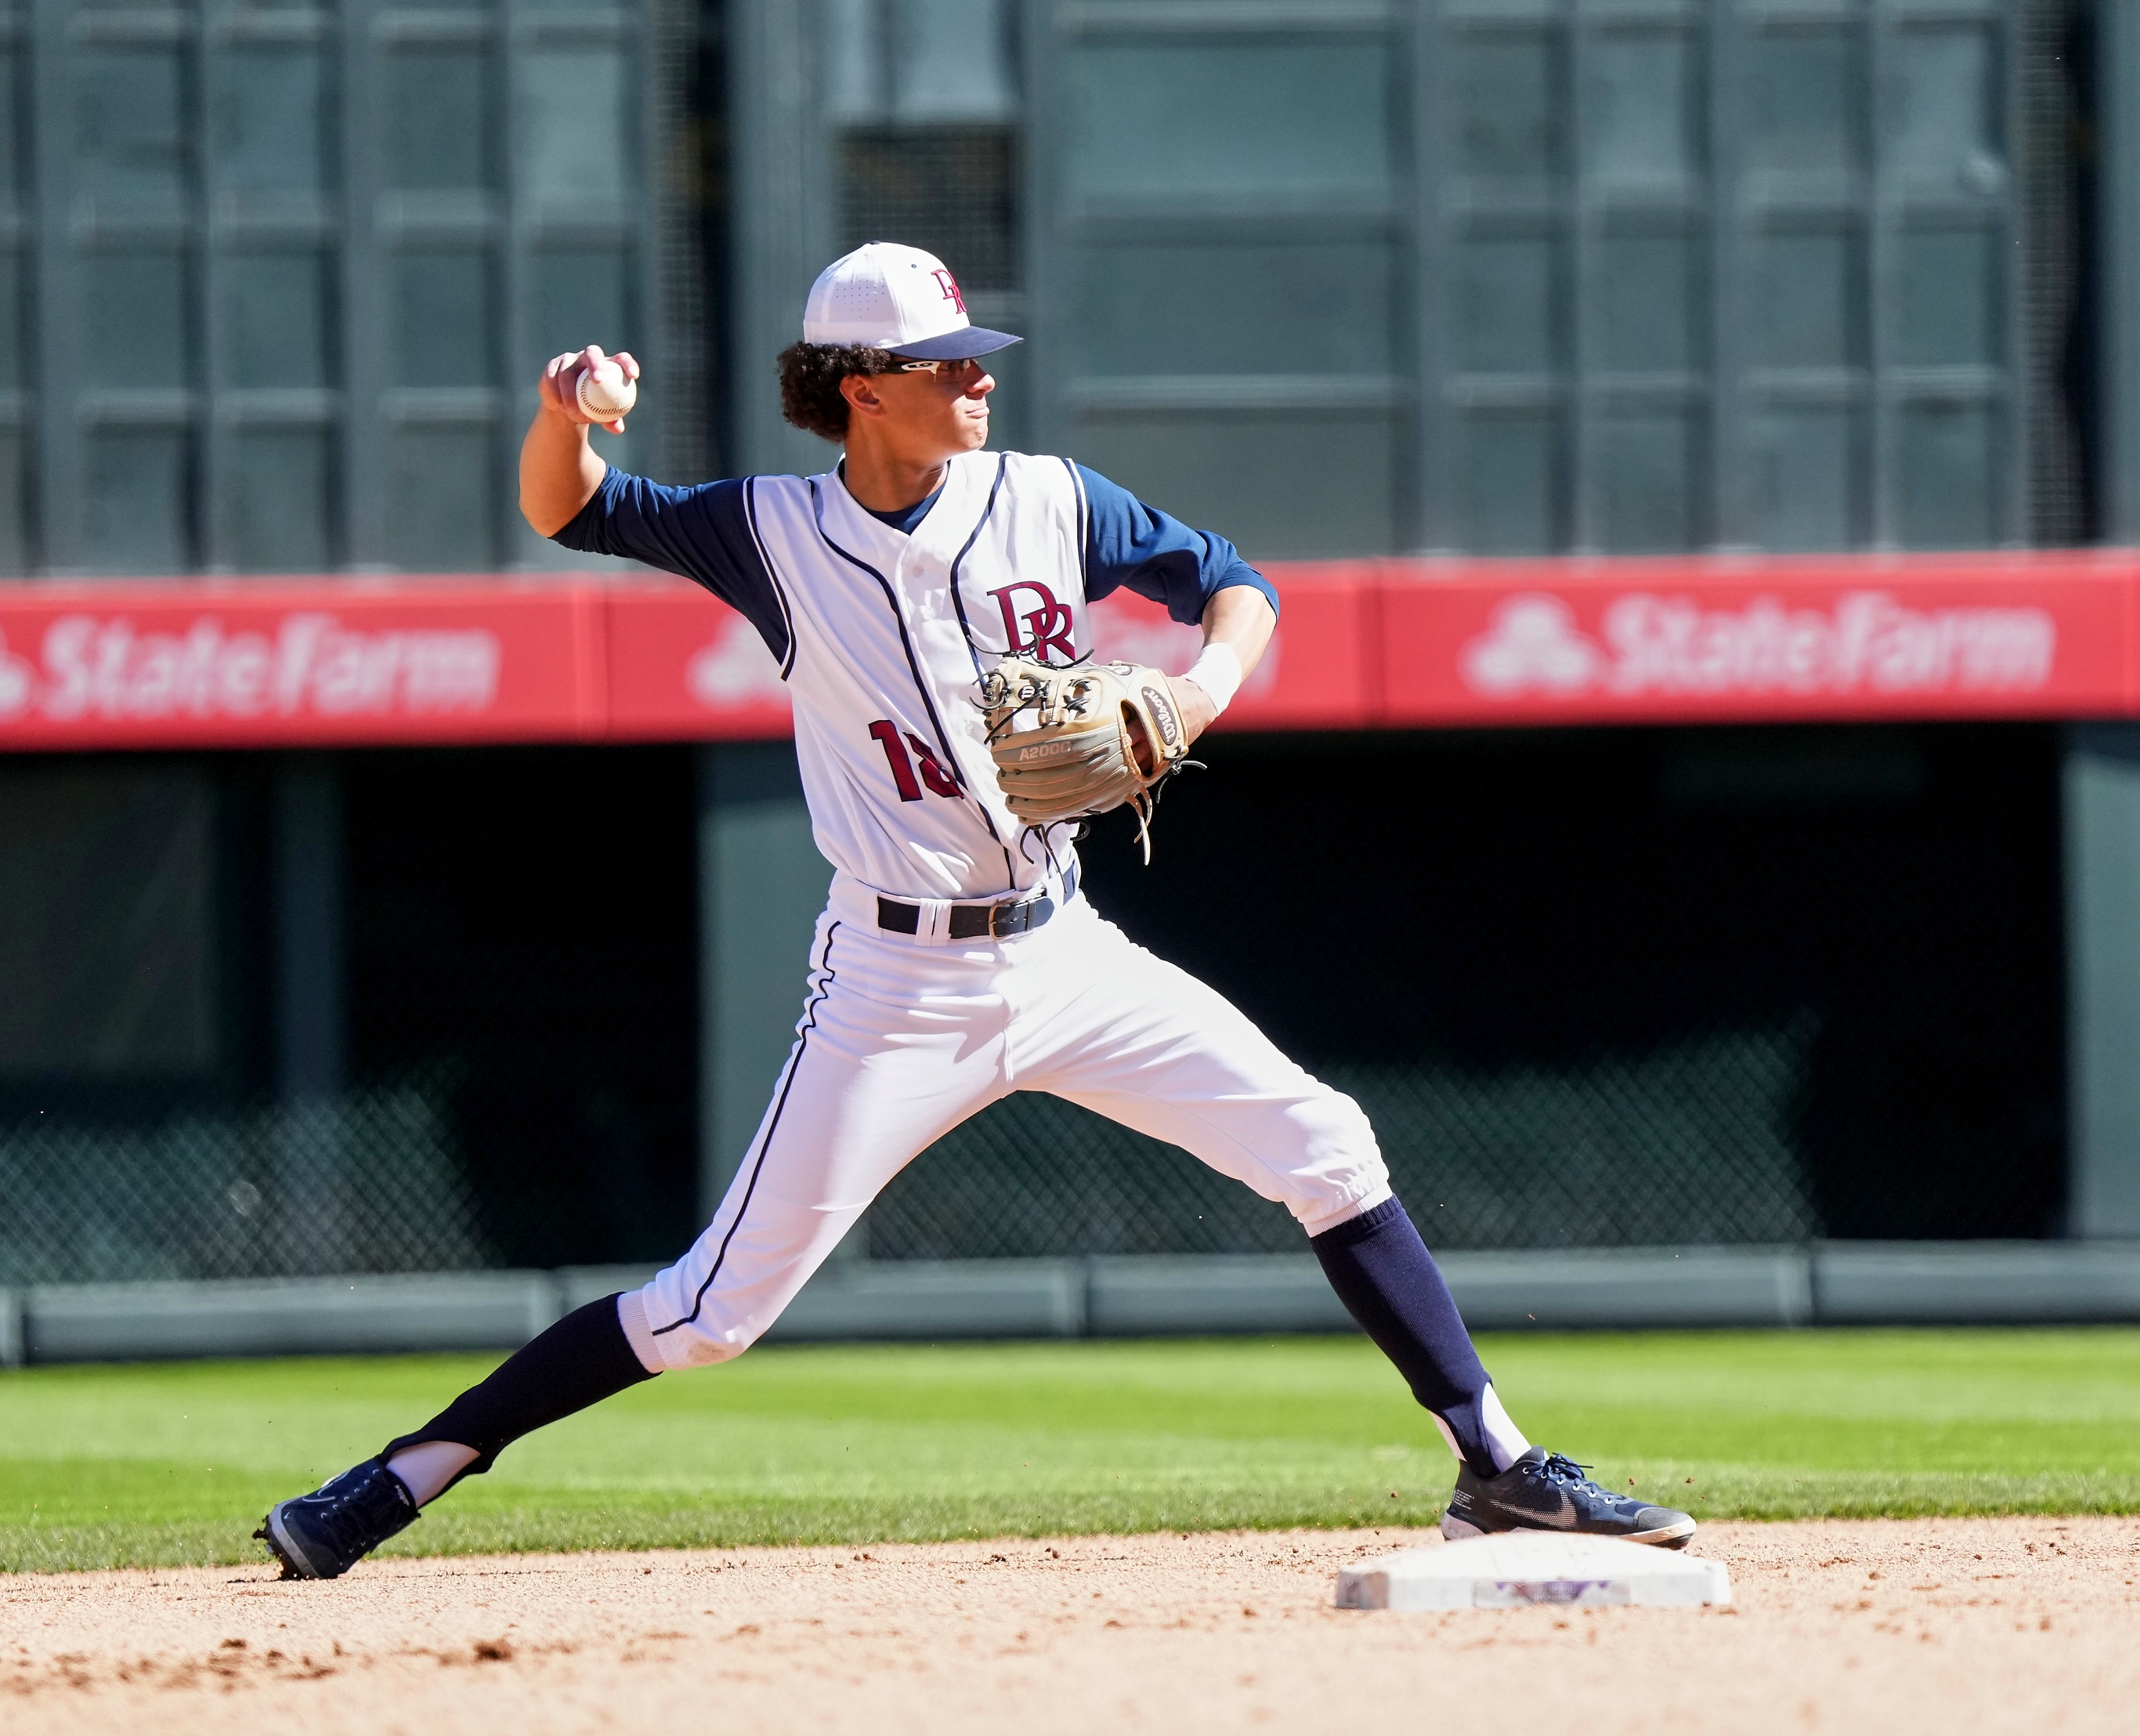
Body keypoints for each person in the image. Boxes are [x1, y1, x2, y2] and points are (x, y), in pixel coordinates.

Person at [255, 242, 1695, 1579]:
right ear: (861, 387)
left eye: (976, 355)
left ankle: (1498, 1466)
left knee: (1326, 1144)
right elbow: (570, 506)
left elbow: (1236, 586)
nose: (979, 377)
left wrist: (1194, 694)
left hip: (1067, 951)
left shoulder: (1051, 499)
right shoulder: (771, 532)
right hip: (893, 985)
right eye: (946, 361)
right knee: (707, 1317)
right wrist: (567, 415)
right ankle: (402, 1476)